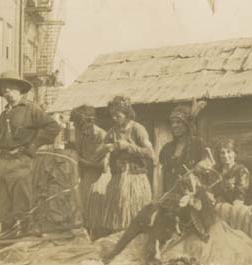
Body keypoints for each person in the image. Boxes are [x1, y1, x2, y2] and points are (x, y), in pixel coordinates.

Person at [0, 71, 60, 237]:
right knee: (3, 207)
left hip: (22, 163)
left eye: (11, 89)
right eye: (5, 90)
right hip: (2, 165)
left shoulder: (31, 110)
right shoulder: (3, 115)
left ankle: (26, 240)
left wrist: (32, 147)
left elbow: (53, 127)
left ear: (20, 90)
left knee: (23, 205)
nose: (8, 93)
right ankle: (7, 243)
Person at [96, 96, 154, 236]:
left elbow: (151, 153)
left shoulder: (138, 129)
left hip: (135, 179)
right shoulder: (112, 131)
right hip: (118, 179)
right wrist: (107, 147)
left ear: (127, 114)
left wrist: (129, 147)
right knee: (117, 214)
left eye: (118, 115)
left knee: (134, 214)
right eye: (112, 116)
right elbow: (98, 152)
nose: (114, 118)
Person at [68, 105, 106, 232]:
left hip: (100, 178)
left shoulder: (101, 136)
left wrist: (83, 162)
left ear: (90, 122)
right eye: (77, 126)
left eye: (81, 126)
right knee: (83, 209)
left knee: (97, 210)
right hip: (85, 175)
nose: (79, 129)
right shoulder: (80, 134)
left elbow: (104, 165)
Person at [158, 103, 209, 194]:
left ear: (187, 125)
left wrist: (202, 166)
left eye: (178, 122)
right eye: (172, 123)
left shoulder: (198, 145)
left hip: (192, 196)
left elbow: (208, 164)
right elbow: (162, 175)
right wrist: (159, 196)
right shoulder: (167, 149)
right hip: (170, 196)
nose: (174, 125)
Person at [212, 139, 250, 204]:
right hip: (217, 206)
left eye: (229, 152)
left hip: (234, 208)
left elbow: (240, 196)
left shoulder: (242, 171)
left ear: (235, 154)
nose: (225, 156)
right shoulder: (216, 170)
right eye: (222, 153)